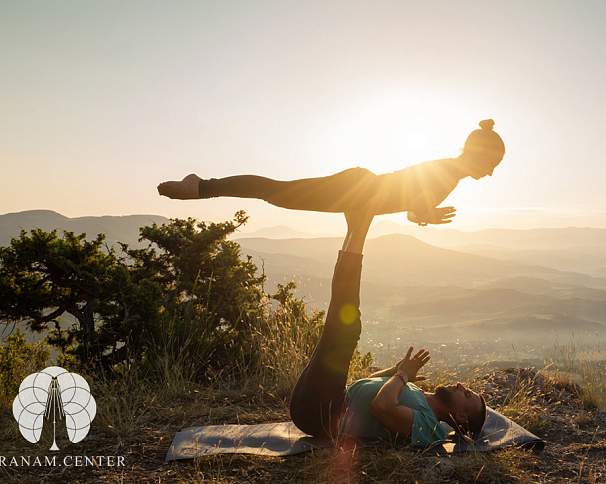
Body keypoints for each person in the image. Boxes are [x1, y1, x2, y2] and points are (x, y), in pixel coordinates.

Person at [289, 209, 487, 446]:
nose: (461, 385)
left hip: (321, 415)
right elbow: (366, 387)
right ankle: (355, 226)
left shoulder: (430, 427)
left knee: (344, 329)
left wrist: (401, 376)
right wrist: (396, 371)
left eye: (466, 394)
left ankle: (360, 224)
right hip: (327, 398)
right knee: (338, 321)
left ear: (462, 416)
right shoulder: (416, 392)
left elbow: (381, 406)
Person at [157, 119, 505, 226]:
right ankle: (201, 187)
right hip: (355, 192)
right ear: (478, 156)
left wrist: (422, 212)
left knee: (275, 191)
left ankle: (202, 187)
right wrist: (427, 215)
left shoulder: (448, 170)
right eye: (491, 166)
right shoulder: (448, 176)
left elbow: (413, 204)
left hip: (357, 189)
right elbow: (415, 208)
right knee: (275, 192)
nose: (489, 175)